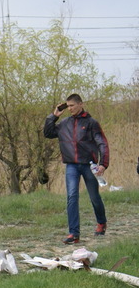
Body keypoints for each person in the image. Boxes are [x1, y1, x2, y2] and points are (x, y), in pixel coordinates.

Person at [43, 93, 109, 244]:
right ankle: (74, 233)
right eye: (68, 106)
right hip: (71, 165)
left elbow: (102, 143)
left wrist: (103, 164)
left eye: (72, 105)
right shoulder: (65, 123)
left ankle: (101, 222)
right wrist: (54, 116)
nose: (70, 108)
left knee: (94, 197)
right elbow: (48, 133)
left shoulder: (91, 123)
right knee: (72, 197)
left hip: (89, 165)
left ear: (80, 104)